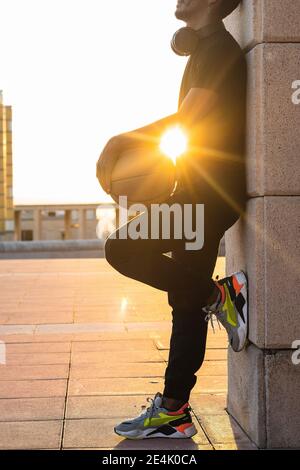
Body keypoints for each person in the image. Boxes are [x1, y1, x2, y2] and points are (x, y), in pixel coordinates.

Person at [96, 0, 248, 440]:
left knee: (120, 248)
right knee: (185, 301)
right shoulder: (205, 47)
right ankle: (174, 410)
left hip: (209, 197)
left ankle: (219, 293)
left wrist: (121, 139)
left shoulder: (219, 50)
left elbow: (190, 120)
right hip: (198, 191)